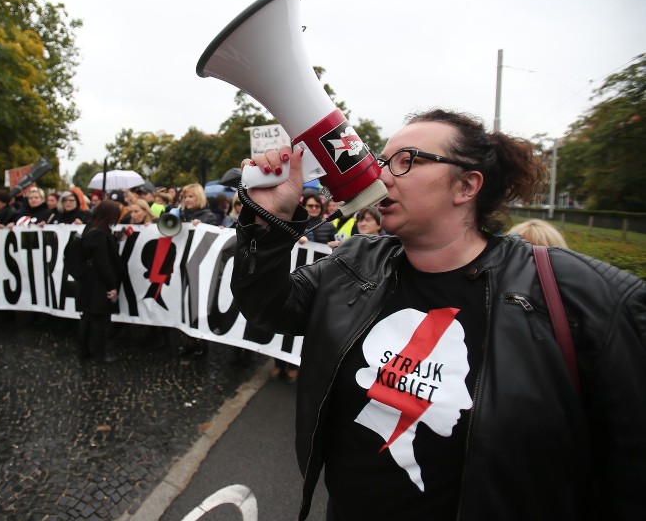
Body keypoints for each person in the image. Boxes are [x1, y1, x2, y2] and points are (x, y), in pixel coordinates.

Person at [231, 109, 646, 520]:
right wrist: (269, 222)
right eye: (381, 161)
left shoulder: (574, 293)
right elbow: (268, 310)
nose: (381, 177)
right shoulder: (355, 263)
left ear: (466, 185)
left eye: (405, 161)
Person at [77, 200, 124, 364]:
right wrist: (112, 285)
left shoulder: (90, 227)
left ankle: (84, 352)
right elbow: (104, 262)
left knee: (87, 316)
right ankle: (100, 354)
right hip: (98, 282)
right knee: (99, 319)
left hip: (88, 279)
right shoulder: (100, 234)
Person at [176, 183, 218, 360]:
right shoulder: (182, 216)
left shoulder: (208, 216)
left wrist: (200, 228)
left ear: (199, 198)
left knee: (197, 306)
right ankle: (188, 341)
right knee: (184, 305)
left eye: (190, 196)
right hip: (183, 265)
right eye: (185, 197)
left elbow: (213, 244)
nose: (187, 200)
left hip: (200, 268)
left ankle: (201, 343)